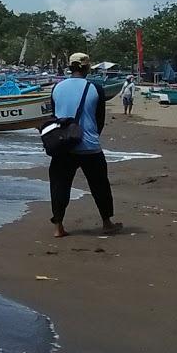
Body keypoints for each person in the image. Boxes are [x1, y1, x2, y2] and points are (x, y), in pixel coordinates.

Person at [45, 54, 122, 239]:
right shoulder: (95, 88)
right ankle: (106, 223)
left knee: (59, 186)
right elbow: (99, 120)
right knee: (100, 185)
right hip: (89, 146)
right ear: (87, 68)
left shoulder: (57, 87)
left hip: (63, 146)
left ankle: (58, 227)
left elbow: (56, 116)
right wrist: (90, 136)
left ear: (70, 67)